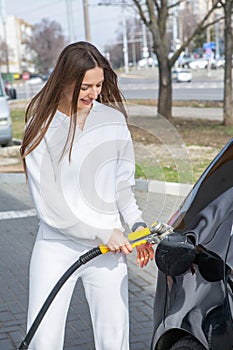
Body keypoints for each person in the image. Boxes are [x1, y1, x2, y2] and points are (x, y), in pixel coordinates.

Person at [20, 41, 154, 350]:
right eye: (85, 86)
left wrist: (137, 228)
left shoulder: (113, 121)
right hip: (56, 247)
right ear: (64, 80)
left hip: (108, 252)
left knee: (114, 339)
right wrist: (104, 232)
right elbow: (50, 206)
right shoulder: (41, 126)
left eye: (98, 85)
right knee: (44, 340)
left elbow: (122, 187)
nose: (93, 93)